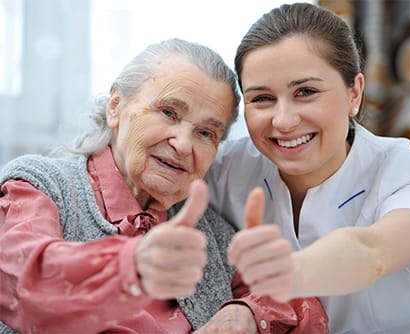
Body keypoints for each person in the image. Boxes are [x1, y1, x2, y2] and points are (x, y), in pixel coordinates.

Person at [0, 38, 329, 333]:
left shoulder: (208, 232)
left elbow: (300, 302)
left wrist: (246, 313)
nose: (184, 144)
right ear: (116, 106)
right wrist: (133, 266)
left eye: (205, 133)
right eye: (169, 112)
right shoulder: (40, 187)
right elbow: (21, 281)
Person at [205, 3, 410, 334]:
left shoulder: (406, 170)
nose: (283, 120)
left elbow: (373, 252)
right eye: (262, 98)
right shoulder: (228, 168)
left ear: (355, 93)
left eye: (305, 92)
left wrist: (286, 275)